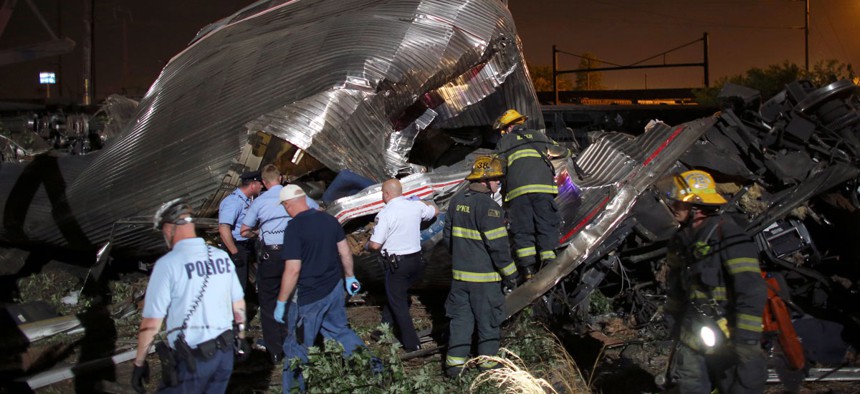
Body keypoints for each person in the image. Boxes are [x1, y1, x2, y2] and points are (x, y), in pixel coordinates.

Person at [662, 169, 767, 393]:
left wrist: (746, 340)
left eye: (679, 203)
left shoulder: (730, 237)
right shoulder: (681, 240)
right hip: (693, 334)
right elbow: (677, 285)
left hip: (728, 336)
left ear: (696, 207)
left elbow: (751, 290)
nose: (673, 206)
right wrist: (673, 319)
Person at [131, 198, 248, 393]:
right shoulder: (220, 257)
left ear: (169, 228)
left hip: (194, 359)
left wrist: (139, 363)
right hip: (225, 355)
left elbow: (151, 323)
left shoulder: (168, 264)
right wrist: (241, 338)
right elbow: (238, 304)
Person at [273, 184, 366, 391]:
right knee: (340, 332)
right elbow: (345, 252)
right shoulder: (328, 219)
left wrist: (281, 302)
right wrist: (350, 277)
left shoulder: (294, 228)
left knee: (296, 347)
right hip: (333, 288)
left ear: (287, 205)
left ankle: (296, 389)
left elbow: (293, 270)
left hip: (308, 297)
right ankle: (373, 370)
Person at [442, 156, 518, 377]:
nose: (498, 185)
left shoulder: (456, 202)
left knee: (460, 322)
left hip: (459, 279)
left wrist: (461, 258)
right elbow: (499, 248)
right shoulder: (490, 208)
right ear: (486, 180)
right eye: (496, 180)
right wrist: (511, 275)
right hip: (485, 282)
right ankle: (487, 370)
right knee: (488, 324)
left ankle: (454, 369)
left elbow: (448, 239)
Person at [239, 165, 320, 364]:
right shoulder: (296, 195)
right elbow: (318, 211)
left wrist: (259, 233)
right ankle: (301, 343)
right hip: (296, 252)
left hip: (272, 255)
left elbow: (243, 230)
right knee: (297, 297)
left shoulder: (259, 202)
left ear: (265, 183)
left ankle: (275, 351)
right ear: (281, 178)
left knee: (268, 301)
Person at [493, 109, 569, 280]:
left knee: (522, 229)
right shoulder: (539, 136)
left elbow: (497, 167)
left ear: (509, 126)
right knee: (546, 225)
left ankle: (527, 270)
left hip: (517, 193)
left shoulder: (505, 141)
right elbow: (564, 152)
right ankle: (549, 265)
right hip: (544, 190)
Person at [366, 179, 439, 352]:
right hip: (416, 263)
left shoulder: (385, 214)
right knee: (396, 295)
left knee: (399, 304)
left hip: (397, 265)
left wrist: (366, 245)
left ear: (386, 194)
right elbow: (435, 211)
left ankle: (412, 344)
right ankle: (382, 329)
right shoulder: (414, 207)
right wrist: (420, 201)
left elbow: (375, 245)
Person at [219, 170, 263, 290]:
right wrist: (235, 253)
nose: (262, 186)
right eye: (260, 183)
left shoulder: (247, 200)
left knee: (244, 283)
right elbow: (224, 228)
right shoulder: (233, 202)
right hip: (235, 247)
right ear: (253, 185)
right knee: (237, 286)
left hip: (245, 246)